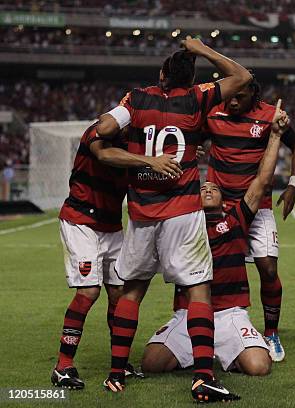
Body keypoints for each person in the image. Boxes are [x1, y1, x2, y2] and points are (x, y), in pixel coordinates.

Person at [96, 36, 252, 403]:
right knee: (199, 289)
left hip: (142, 212)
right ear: (191, 76)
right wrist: (202, 49)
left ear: (163, 74)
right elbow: (241, 75)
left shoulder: (136, 98)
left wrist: (129, 127)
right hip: (182, 212)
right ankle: (202, 378)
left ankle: (116, 373)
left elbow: (104, 130)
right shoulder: (198, 97)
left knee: (132, 289)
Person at [141, 100, 289, 377]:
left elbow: (261, 181)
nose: (207, 187)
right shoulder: (182, 222)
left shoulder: (235, 220)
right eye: (203, 186)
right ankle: (207, 349)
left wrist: (276, 136)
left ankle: (225, 346)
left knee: (259, 367)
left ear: (224, 202)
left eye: (213, 187)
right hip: (188, 313)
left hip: (229, 314)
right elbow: (166, 183)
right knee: (150, 364)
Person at [52, 123, 181, 389]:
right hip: (80, 221)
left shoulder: (135, 145)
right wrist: (151, 161)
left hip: (111, 226)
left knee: (119, 295)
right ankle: (63, 366)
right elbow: (104, 155)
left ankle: (120, 364)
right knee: (88, 292)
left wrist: (184, 155)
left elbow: (153, 167)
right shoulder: (98, 132)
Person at [203, 75, 295, 361]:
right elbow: (192, 137)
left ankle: (271, 333)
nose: (233, 101)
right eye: (229, 96)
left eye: (240, 96)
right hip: (219, 208)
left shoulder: (270, 115)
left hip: (256, 205)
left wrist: (293, 184)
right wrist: (195, 146)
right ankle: (209, 330)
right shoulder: (211, 111)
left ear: (254, 95)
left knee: (268, 269)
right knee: (212, 270)